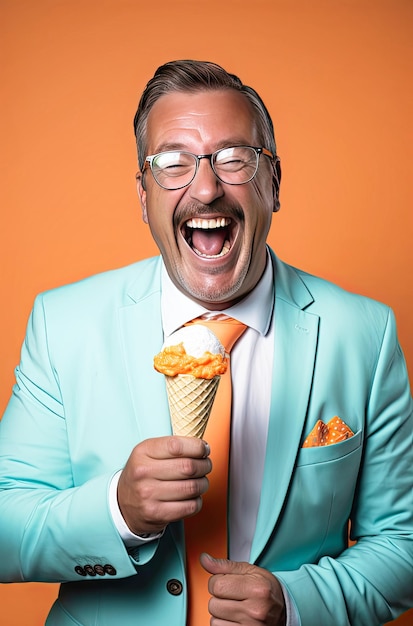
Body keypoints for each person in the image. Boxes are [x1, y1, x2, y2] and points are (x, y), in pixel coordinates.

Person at [0, 60, 412, 626]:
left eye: (234, 159)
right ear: (144, 196)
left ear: (274, 184)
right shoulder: (62, 323)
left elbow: (402, 543)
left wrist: (295, 603)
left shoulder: (364, 334)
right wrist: (116, 510)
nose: (206, 187)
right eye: (172, 163)